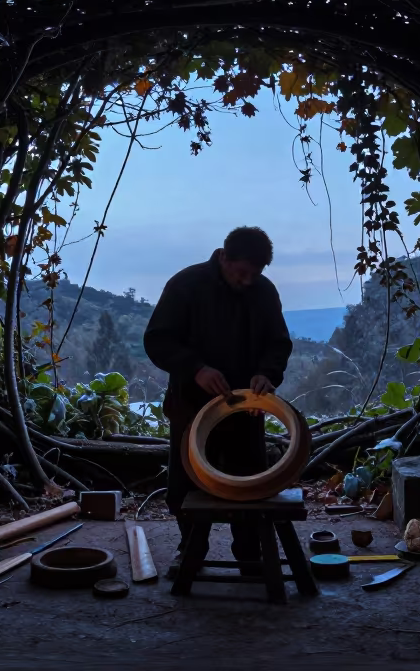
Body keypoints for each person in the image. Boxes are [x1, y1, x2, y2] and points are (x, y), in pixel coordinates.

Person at [143, 226, 293, 577]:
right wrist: (195, 369)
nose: (247, 282)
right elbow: (157, 340)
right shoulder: (185, 285)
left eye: (255, 275)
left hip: (245, 408)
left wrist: (266, 375)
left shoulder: (264, 292)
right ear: (223, 256)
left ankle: (249, 555)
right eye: (242, 273)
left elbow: (278, 342)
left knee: (251, 484)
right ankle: (190, 550)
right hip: (191, 407)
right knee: (187, 486)